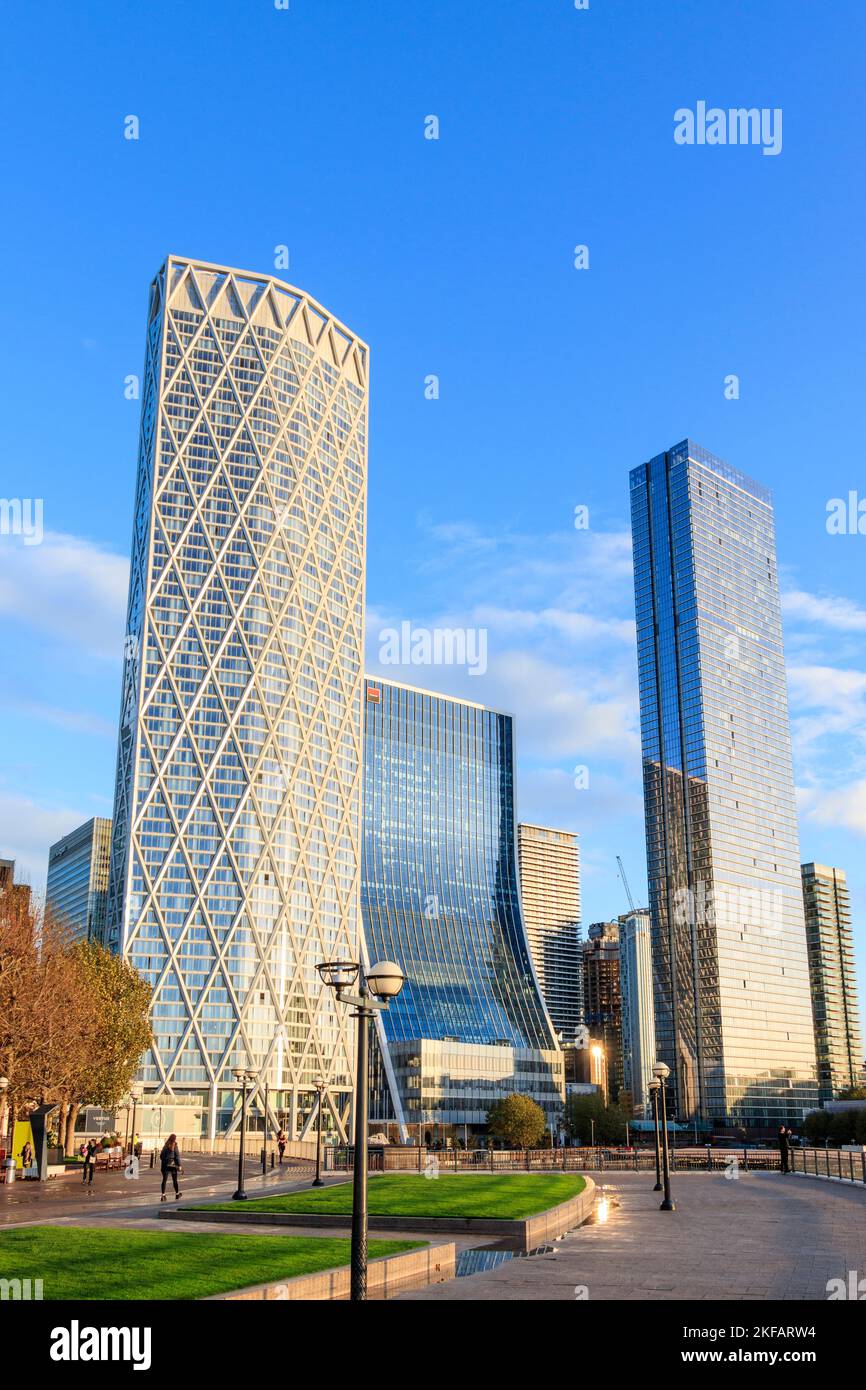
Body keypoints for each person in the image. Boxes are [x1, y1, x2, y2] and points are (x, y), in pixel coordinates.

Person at [159, 1133, 183, 1201]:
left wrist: (165, 1160)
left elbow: (161, 1156)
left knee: (164, 1180)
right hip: (172, 1165)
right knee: (174, 1180)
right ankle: (177, 1194)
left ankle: (163, 1195)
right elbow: (177, 1157)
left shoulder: (165, 1145)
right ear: (175, 1139)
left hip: (164, 1165)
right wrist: (179, 1165)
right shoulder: (175, 1146)